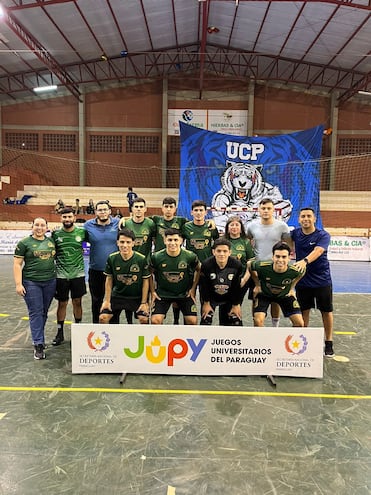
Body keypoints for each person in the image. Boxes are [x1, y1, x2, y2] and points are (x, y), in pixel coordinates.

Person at [291, 207, 335, 357]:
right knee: (304, 311)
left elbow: (318, 251)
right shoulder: (295, 233)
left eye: (309, 216)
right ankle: (303, 340)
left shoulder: (323, 235)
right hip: (302, 280)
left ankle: (328, 342)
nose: (306, 219)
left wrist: (304, 261)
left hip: (322, 280)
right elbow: (281, 238)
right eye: (303, 216)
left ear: (314, 219)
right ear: (299, 219)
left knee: (326, 311)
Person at [13, 217, 56, 360]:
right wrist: (19, 284)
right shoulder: (24, 243)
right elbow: (17, 264)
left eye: (42, 225)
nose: (39, 227)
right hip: (31, 283)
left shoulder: (51, 242)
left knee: (43, 312)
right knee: (36, 312)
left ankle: (40, 338)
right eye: (36, 225)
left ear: (46, 227)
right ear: (32, 226)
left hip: (50, 281)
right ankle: (38, 344)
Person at [246, 198, 292, 327]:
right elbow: (248, 240)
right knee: (256, 297)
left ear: (273, 210)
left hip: (275, 268)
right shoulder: (251, 226)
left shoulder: (282, 226)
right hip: (257, 269)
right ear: (259, 210)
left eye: (269, 208)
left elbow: (288, 245)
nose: (266, 211)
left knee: (275, 299)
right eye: (263, 208)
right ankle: (257, 326)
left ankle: (274, 326)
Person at [51, 207, 87, 346]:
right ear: (61, 219)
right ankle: (60, 332)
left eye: (69, 217)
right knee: (62, 303)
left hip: (78, 275)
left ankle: (77, 330)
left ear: (74, 217)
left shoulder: (82, 232)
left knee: (77, 302)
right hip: (61, 276)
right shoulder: (55, 234)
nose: (67, 219)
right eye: (64, 217)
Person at [99, 228, 150, 324]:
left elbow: (145, 282)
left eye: (128, 242)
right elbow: (109, 280)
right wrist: (107, 300)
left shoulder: (141, 259)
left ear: (133, 243)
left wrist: (144, 302)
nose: (125, 245)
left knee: (144, 319)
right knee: (103, 318)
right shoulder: (112, 258)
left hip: (136, 297)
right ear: (117, 242)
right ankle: (110, 338)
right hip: (118, 296)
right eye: (122, 242)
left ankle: (142, 339)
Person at [150, 228, 200, 325]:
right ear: (164, 240)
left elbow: (198, 269)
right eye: (169, 240)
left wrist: (193, 289)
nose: (172, 243)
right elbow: (149, 274)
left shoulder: (190, 256)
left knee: (192, 321)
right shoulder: (156, 257)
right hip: (163, 294)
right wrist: (152, 291)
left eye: (175, 240)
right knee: (155, 321)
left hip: (184, 294)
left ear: (181, 241)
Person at [248, 241, 304, 327]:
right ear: (272, 257)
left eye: (284, 257)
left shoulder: (295, 270)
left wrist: (292, 288)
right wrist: (257, 284)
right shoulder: (262, 266)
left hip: (284, 296)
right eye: (277, 256)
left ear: (289, 258)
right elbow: (249, 265)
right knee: (258, 321)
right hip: (264, 294)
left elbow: (302, 273)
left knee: (300, 323)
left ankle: (286, 337)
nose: (280, 260)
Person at [151, 196, 188, 324]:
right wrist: (123, 218)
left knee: (176, 285)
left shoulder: (181, 221)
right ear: (162, 208)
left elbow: (197, 223)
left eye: (171, 207)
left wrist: (210, 222)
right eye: (166, 206)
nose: (168, 209)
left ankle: (176, 320)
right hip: (159, 260)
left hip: (176, 259)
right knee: (160, 287)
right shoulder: (155, 220)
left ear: (175, 209)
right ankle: (159, 309)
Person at [84, 201, 120, 323]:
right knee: (96, 301)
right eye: (100, 210)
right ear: (95, 212)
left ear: (110, 211)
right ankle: (96, 326)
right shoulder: (88, 225)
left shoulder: (118, 223)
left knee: (114, 300)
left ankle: (114, 327)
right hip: (96, 271)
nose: (103, 212)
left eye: (105, 209)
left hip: (115, 271)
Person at [199, 238, 243, 326]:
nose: (222, 254)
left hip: (229, 297)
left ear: (229, 252)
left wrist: (236, 304)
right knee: (205, 320)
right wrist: (206, 303)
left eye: (225, 251)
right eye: (218, 251)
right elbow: (204, 286)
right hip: (211, 297)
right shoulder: (206, 265)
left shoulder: (236, 265)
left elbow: (236, 287)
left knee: (236, 322)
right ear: (213, 252)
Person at [223, 215, 255, 309]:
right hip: (225, 280)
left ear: (241, 229)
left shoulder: (246, 242)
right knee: (225, 306)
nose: (234, 227)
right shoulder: (222, 241)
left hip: (241, 279)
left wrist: (244, 279)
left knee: (236, 305)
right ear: (227, 228)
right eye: (231, 225)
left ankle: (237, 322)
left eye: (237, 225)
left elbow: (250, 262)